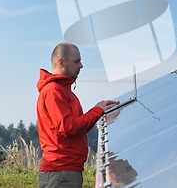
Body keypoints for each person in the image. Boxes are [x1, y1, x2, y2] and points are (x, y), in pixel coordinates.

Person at [36, 42, 119, 188]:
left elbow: (75, 126)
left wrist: (97, 110)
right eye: (77, 61)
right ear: (61, 62)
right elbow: (68, 127)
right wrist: (96, 111)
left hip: (66, 171)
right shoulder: (53, 91)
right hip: (60, 173)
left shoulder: (63, 91)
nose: (81, 66)